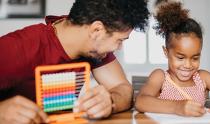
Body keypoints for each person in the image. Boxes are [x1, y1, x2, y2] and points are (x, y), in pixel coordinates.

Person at [0, 0, 149, 123]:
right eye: (119, 40)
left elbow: (123, 88)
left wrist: (110, 101)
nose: (119, 48)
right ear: (96, 30)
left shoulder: (94, 49)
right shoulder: (16, 47)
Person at [135, 2, 210, 117]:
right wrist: (177, 107)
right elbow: (140, 102)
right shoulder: (160, 77)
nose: (188, 65)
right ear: (166, 52)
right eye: (180, 57)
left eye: (195, 58)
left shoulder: (203, 78)